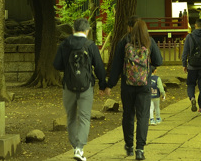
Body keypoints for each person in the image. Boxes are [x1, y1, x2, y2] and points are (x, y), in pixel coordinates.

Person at [52, 18, 109, 161]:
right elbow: (99, 67)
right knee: (84, 117)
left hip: (68, 86)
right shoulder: (90, 45)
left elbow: (57, 64)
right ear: (87, 30)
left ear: (73, 30)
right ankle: (79, 148)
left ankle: (74, 147)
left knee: (71, 117)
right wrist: (103, 85)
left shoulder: (65, 44)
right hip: (86, 86)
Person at [107, 16, 163, 160]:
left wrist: (110, 84)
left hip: (127, 85)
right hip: (144, 85)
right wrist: (149, 70)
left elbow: (116, 66)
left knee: (128, 114)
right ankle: (140, 149)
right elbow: (159, 60)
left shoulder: (124, 42)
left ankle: (129, 146)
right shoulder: (149, 41)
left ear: (130, 27)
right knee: (143, 116)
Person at [181, 18, 201, 113]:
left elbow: (185, 52)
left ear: (195, 26)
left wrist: (184, 64)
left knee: (191, 84)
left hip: (192, 66)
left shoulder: (189, 37)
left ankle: (192, 98)